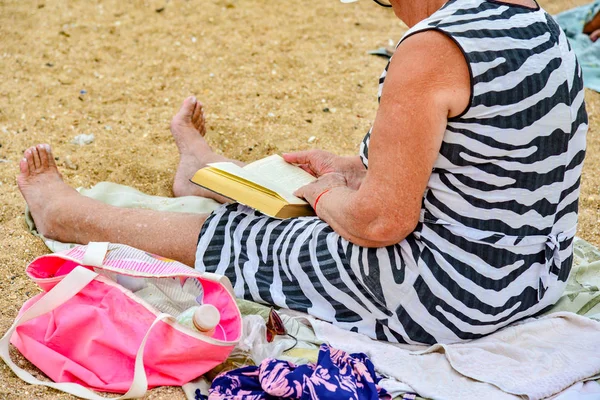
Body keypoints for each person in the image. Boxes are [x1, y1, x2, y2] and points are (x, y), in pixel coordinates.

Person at [17, 0, 588, 345]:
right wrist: (356, 169)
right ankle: (206, 173)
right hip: (529, 280)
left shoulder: (435, 45)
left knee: (255, 237)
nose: (395, 12)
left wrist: (323, 197)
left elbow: (380, 222)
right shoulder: (536, 23)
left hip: (447, 299)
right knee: (297, 189)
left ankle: (68, 214)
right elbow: (488, 166)